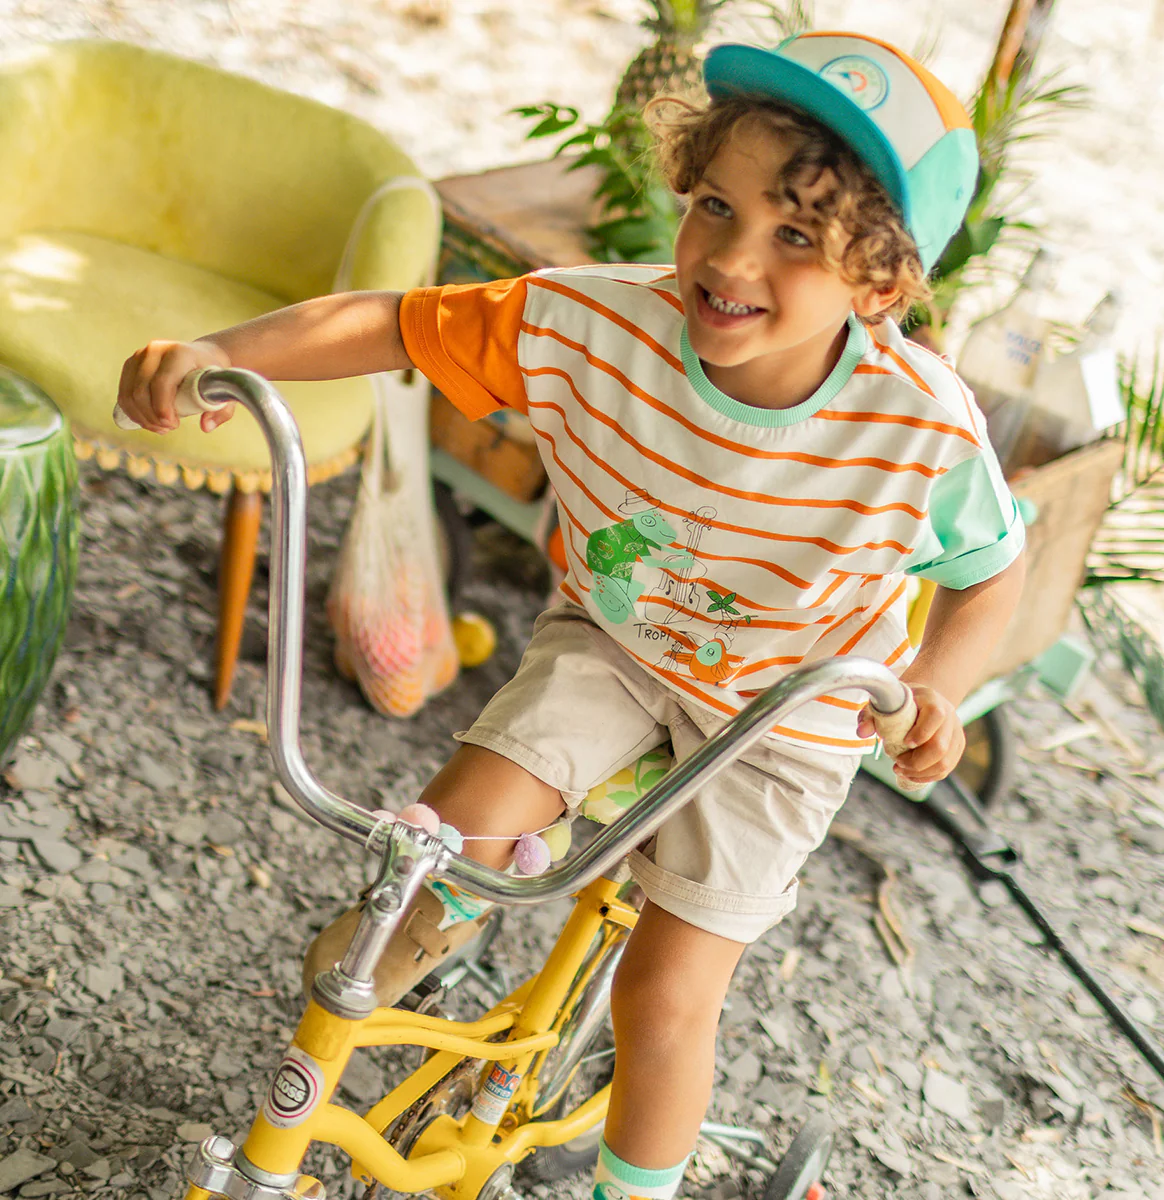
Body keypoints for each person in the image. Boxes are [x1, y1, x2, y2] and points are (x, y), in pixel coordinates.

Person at [117, 31, 1025, 1200]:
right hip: (617, 641)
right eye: (716, 204)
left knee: (666, 996)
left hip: (781, 719)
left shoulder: (920, 430)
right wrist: (219, 354)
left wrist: (939, 684)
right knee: (446, 832)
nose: (731, 256)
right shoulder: (591, 324)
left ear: (881, 287)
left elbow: (990, 572)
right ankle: (442, 899)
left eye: (796, 237)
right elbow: (394, 324)